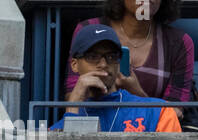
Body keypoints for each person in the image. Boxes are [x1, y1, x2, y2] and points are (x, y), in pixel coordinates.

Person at [63, 0, 195, 109]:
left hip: (150, 132)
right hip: (93, 126)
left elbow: (175, 113)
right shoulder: (89, 29)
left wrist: (135, 92)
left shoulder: (179, 42)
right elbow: (71, 98)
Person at [53, 25, 181, 133]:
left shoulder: (159, 112)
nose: (103, 64)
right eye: (92, 56)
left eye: (111, 57)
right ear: (75, 65)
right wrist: (74, 103)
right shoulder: (57, 129)